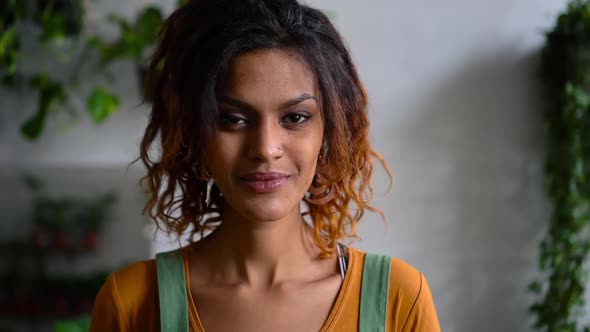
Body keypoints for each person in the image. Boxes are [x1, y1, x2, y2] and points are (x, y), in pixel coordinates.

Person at [89, 0, 441, 331]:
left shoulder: (399, 298)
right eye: (234, 119)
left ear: (329, 131)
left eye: (295, 117)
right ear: (195, 132)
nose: (265, 148)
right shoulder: (132, 302)